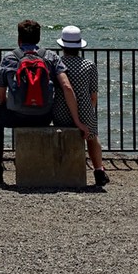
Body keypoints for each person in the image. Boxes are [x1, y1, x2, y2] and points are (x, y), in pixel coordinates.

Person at [0, 19, 89, 185]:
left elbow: (0, 95)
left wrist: (8, 105)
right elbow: (67, 87)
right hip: (43, 116)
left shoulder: (10, 58)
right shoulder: (50, 57)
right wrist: (78, 121)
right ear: (38, 38)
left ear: (19, 39)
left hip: (17, 115)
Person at [52, 25, 110, 187]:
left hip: (60, 112)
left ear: (62, 46)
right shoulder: (89, 65)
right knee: (93, 137)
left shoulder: (56, 63)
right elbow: (93, 95)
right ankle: (99, 170)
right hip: (84, 112)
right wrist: (87, 112)